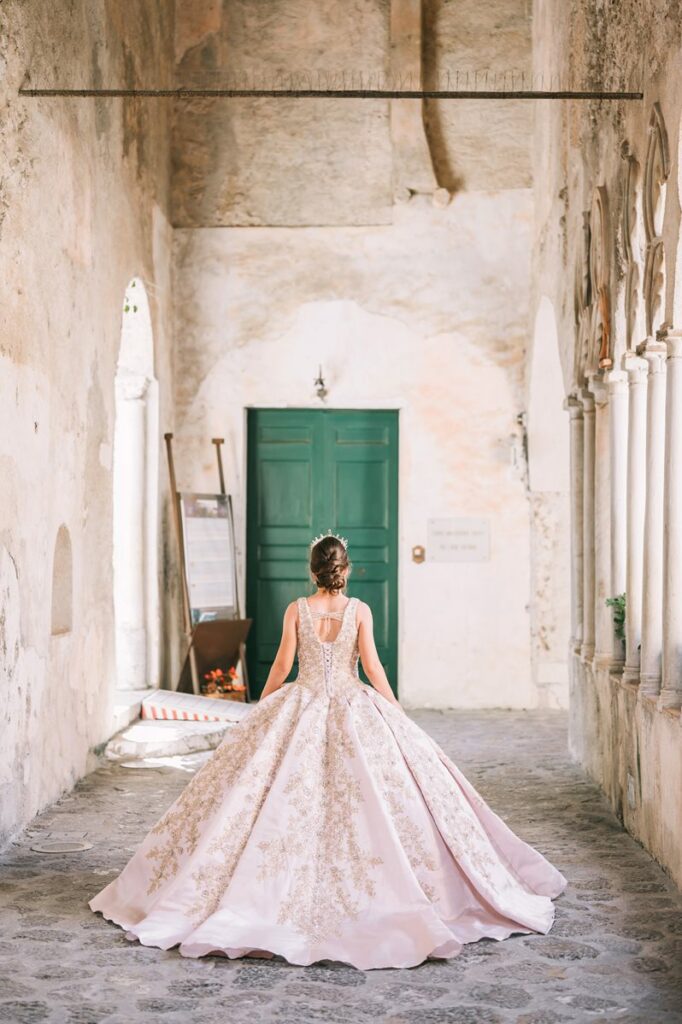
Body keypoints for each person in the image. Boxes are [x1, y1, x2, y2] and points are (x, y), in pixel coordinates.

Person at [89, 531, 566, 971]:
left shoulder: (297, 608)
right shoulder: (360, 609)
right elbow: (373, 667)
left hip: (304, 702)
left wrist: (263, 704)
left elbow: (282, 664)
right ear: (347, 568)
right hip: (353, 705)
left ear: (312, 570)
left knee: (264, 798)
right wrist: (394, 710)